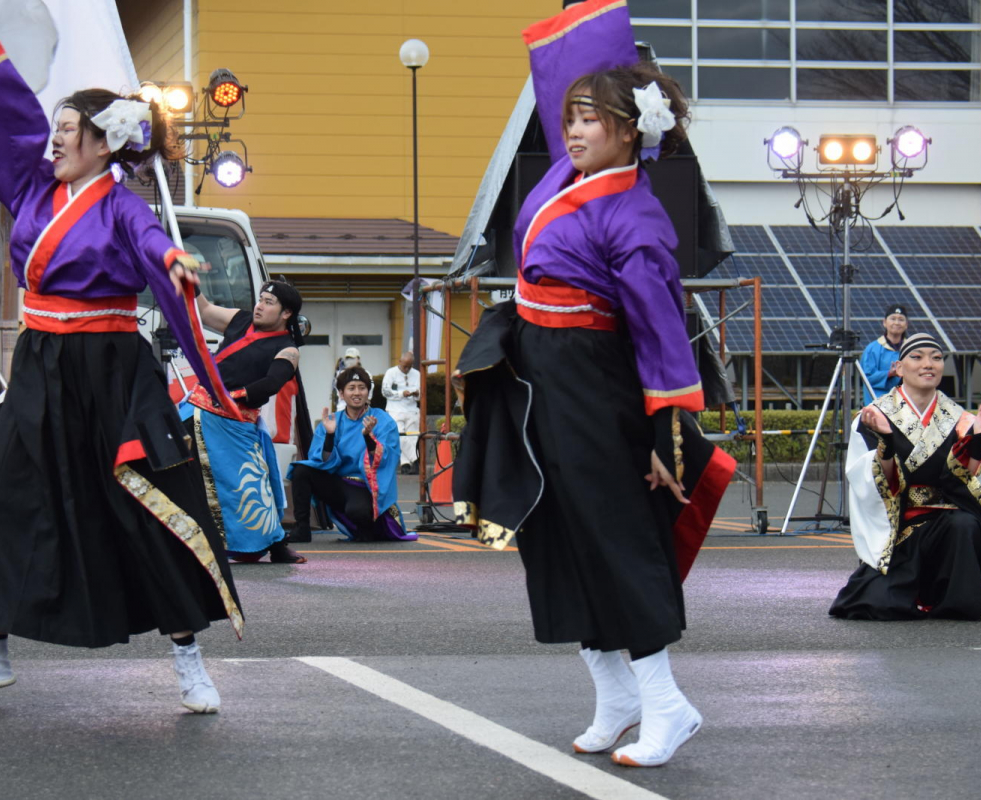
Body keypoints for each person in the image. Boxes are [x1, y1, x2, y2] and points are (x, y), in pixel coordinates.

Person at [0, 43, 244, 713]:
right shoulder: (30, 190)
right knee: (9, 501)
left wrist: (175, 262)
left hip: (109, 369)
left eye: (68, 132)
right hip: (42, 363)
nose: (54, 144)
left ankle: (190, 660)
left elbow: (150, 241)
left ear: (105, 145)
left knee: (143, 504)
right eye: (56, 132)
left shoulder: (121, 206)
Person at [450, 11, 735, 769]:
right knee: (554, 533)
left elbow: (662, 336)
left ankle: (667, 703)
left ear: (628, 132)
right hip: (539, 371)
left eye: (590, 121)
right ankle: (615, 693)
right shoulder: (564, 179)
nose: (571, 131)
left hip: (591, 383)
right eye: (569, 118)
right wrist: (591, 63)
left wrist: (664, 435)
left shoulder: (635, 217)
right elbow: (559, 87)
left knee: (612, 536)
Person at [832, 333, 981, 620]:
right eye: (917, 357)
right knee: (878, 606)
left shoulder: (960, 418)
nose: (928, 364)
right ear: (899, 367)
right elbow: (872, 484)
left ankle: (953, 600)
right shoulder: (873, 416)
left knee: (965, 523)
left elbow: (967, 481)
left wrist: (978, 441)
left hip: (948, 521)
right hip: (898, 525)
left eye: (937, 357)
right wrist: (887, 444)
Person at [179, 280, 310, 563]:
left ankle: (275, 546)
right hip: (198, 411)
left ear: (286, 313)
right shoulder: (240, 320)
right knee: (177, 472)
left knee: (253, 487)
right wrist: (190, 284)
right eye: (260, 299)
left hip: (235, 423)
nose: (260, 306)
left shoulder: (288, 349)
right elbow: (204, 310)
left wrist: (233, 395)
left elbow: (272, 383)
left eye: (268, 302)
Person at [288, 366, 416, 542]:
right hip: (339, 485)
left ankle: (367, 528)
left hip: (366, 488)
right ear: (341, 393)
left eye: (362, 388)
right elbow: (321, 462)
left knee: (358, 512)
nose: (357, 393)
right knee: (301, 470)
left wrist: (368, 438)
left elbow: (386, 460)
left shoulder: (383, 421)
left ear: (368, 393)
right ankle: (302, 528)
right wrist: (330, 435)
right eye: (351, 388)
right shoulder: (333, 421)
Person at [381, 351, 421, 474]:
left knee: (413, 437)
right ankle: (415, 459)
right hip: (395, 409)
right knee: (400, 436)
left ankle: (406, 464)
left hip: (412, 409)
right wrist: (401, 394)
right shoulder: (390, 373)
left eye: (410, 366)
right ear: (399, 362)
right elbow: (385, 392)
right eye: (405, 366)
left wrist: (416, 394)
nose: (407, 369)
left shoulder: (417, 374)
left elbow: (421, 393)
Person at [859, 304, 909, 399]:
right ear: (885, 322)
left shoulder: (912, 349)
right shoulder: (872, 349)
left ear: (906, 325)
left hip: (906, 403)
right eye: (893, 319)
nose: (897, 323)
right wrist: (889, 374)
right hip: (877, 403)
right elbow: (867, 378)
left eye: (901, 319)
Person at [332, 346, 366, 411]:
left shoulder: (365, 374)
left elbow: (368, 395)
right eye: (347, 358)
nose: (349, 361)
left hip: (361, 409)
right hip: (342, 408)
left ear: (358, 359)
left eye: (352, 358)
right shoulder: (340, 374)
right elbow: (337, 392)